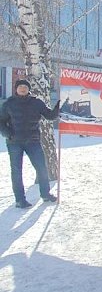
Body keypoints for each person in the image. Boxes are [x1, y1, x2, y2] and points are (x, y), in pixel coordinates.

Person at [0, 79, 59, 208]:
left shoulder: (36, 103)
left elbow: (49, 116)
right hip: (14, 142)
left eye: (25, 87)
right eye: (20, 86)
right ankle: (20, 200)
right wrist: (9, 134)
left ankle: (45, 194)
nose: (22, 89)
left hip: (33, 141)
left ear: (28, 89)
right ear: (16, 89)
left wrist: (59, 107)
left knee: (41, 168)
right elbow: (1, 122)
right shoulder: (8, 104)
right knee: (16, 171)